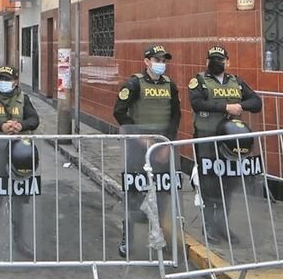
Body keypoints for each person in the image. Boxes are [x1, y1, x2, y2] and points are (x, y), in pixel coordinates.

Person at [189, 46, 263, 244]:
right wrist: (225, 107)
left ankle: (222, 225)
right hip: (207, 137)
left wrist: (240, 106)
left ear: (227, 62)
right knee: (208, 183)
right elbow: (196, 103)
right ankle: (208, 226)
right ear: (207, 62)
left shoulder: (236, 81)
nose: (217, 62)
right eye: (213, 59)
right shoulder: (199, 81)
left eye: (220, 59)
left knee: (228, 184)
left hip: (230, 141)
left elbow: (256, 102)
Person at [112, 44, 181, 256]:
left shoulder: (170, 86)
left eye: (164, 61)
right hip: (138, 147)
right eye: (157, 60)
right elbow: (119, 112)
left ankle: (158, 235)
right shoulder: (134, 84)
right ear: (147, 62)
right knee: (133, 192)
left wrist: (165, 143)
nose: (161, 64)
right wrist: (143, 139)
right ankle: (128, 238)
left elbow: (176, 116)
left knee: (163, 192)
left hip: (162, 146)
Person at [0, 66, 41, 257]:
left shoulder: (24, 99)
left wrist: (20, 125)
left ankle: (19, 241)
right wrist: (2, 126)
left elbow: (34, 120)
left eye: (7, 79)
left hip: (20, 156)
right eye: (1, 78)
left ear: (15, 82)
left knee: (18, 201)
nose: (3, 82)